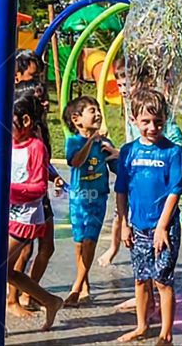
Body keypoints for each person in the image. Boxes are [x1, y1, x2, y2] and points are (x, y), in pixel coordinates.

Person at [115, 89, 182, 345]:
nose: (153, 127)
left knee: (162, 280)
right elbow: (121, 190)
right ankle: (142, 326)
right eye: (146, 122)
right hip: (138, 227)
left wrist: (162, 227)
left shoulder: (172, 152)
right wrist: (124, 224)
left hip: (164, 228)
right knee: (141, 278)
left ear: (165, 119)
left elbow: (175, 190)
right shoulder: (128, 152)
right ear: (133, 120)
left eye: (158, 121)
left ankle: (166, 334)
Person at [98, 60, 182, 269]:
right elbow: (135, 145)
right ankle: (114, 248)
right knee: (121, 213)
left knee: (160, 268)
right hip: (136, 170)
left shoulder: (153, 115)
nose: (124, 91)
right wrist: (121, 153)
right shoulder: (133, 114)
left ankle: (120, 249)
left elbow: (173, 146)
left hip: (155, 177)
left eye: (127, 85)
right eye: (120, 86)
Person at [5, 94, 63, 330]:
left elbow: (39, 187)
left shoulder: (36, 147)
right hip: (8, 214)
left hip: (25, 219)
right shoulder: (8, 142)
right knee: (4, 271)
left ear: (26, 120)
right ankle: (51, 301)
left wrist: (6, 190)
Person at [62, 95, 117, 306]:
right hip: (79, 199)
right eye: (92, 111)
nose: (97, 114)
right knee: (78, 243)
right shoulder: (74, 141)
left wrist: (116, 156)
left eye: (98, 110)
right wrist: (91, 141)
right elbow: (75, 161)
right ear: (76, 119)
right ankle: (84, 282)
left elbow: (116, 167)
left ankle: (76, 287)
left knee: (89, 241)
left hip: (98, 198)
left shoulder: (105, 143)